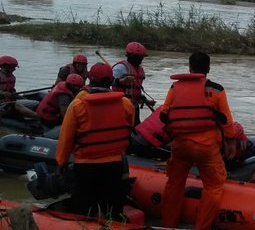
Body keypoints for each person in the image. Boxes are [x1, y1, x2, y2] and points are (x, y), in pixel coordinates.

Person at [160, 51, 236, 230]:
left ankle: (168, 226)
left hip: (180, 146)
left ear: (189, 67)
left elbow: (164, 115)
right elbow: (226, 120)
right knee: (214, 185)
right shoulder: (216, 90)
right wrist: (231, 141)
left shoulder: (174, 88)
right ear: (208, 69)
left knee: (174, 183)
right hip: (206, 147)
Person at [56, 62, 135, 218]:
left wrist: (61, 162)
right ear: (111, 81)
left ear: (90, 81)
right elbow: (130, 125)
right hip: (114, 164)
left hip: (86, 165)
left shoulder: (78, 105)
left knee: (84, 208)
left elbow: (66, 137)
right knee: (112, 209)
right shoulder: (126, 104)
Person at [112, 41, 155, 125]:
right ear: (129, 56)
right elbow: (108, 82)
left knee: (136, 128)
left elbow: (137, 90)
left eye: (141, 57)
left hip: (134, 107)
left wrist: (145, 100)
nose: (139, 59)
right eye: (137, 57)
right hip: (120, 106)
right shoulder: (120, 68)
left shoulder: (140, 70)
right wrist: (122, 81)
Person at [0, 55, 41, 120]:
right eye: (12, 67)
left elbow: (13, 92)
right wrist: (2, 93)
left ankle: (42, 114)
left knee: (36, 103)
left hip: (10, 102)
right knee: (17, 106)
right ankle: (40, 117)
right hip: (2, 104)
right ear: (5, 66)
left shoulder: (12, 77)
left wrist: (22, 98)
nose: (14, 69)